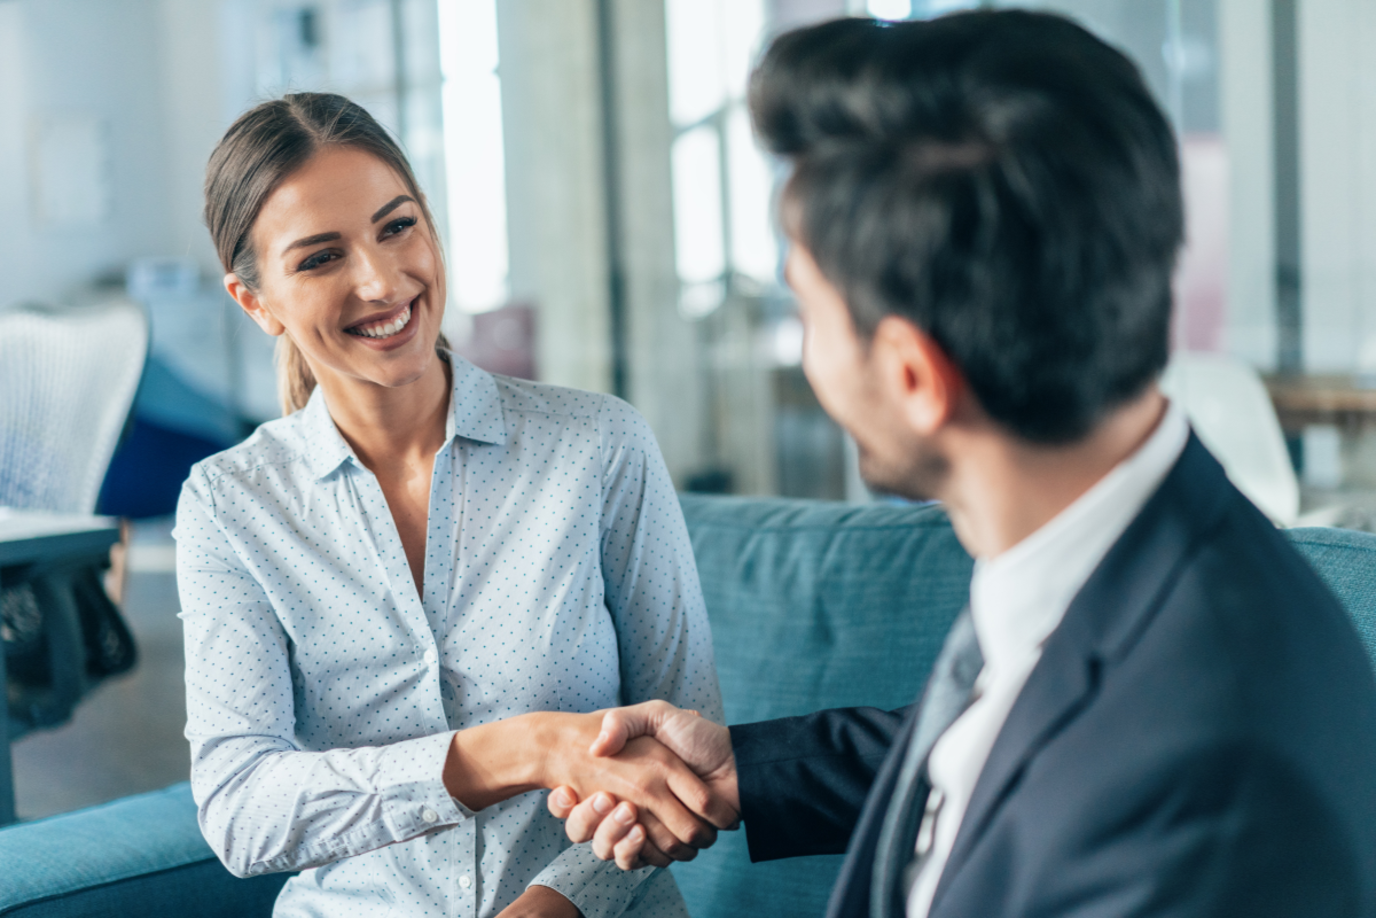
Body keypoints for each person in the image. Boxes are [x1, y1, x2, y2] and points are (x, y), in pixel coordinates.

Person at [547, 11, 1376, 918]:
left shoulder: (1205, 777)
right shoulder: (1109, 561)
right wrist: (743, 768)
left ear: (912, 376)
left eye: (808, 312)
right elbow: (1024, 745)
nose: (810, 356)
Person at [175, 93, 736, 918]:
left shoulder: (597, 446)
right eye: (321, 257)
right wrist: (520, 749)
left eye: (396, 227)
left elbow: (686, 750)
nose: (380, 279)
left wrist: (551, 906)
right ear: (257, 302)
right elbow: (242, 809)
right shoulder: (231, 506)